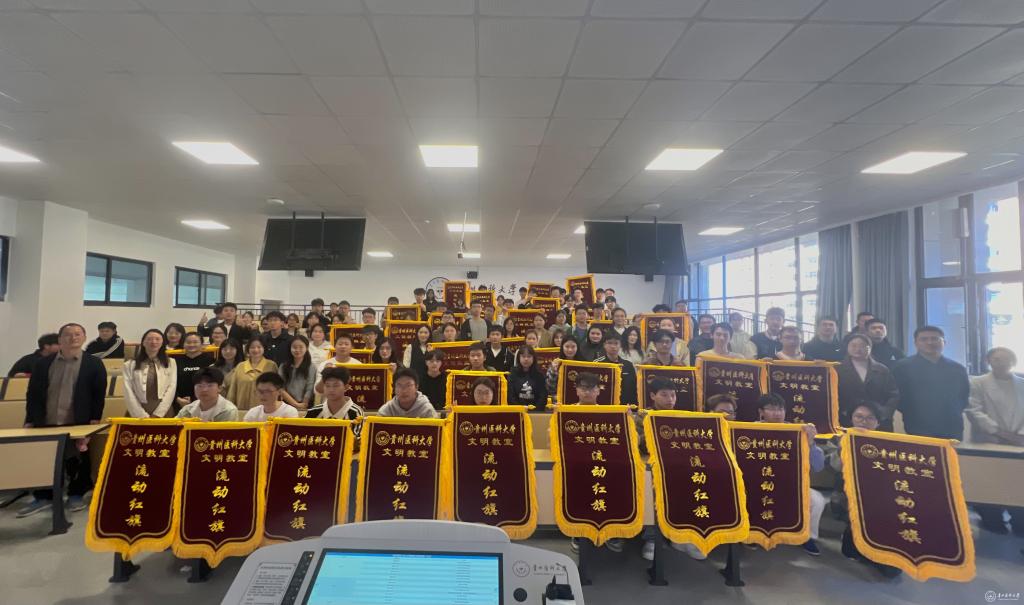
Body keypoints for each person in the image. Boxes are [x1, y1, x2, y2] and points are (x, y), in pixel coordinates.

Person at [19, 323, 107, 517]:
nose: (73, 338)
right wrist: (30, 419)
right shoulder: (43, 363)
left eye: (77, 334)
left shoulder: (94, 363)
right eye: (67, 334)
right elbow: (33, 394)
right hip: (46, 420)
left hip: (78, 421)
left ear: (84, 338)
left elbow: (98, 395)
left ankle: (76, 494)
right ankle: (44, 497)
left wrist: (94, 419)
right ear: (60, 339)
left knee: (77, 459)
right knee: (44, 461)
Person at [819, 400, 903, 578]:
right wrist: (846, 446)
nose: (863, 422)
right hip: (846, 498)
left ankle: (882, 553)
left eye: (870, 418)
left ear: (878, 423)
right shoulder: (839, 438)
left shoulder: (888, 443)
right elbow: (831, 466)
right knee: (853, 546)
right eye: (859, 417)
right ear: (851, 419)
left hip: (880, 500)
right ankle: (859, 545)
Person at [639, 377, 706, 561]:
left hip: (680, 465)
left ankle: (683, 536)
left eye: (673, 395)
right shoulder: (642, 416)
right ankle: (652, 538)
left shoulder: (683, 417)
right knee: (651, 486)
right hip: (652, 466)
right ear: (652, 396)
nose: (670, 399)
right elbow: (639, 445)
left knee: (696, 481)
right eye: (664, 395)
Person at [757, 393, 826, 556]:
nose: (777, 413)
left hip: (791, 486)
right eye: (771, 409)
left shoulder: (798, 432)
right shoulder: (749, 430)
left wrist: (811, 442)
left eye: (780, 409)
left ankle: (807, 536)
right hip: (759, 484)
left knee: (817, 500)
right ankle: (754, 534)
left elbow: (818, 466)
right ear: (761, 412)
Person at [967, 347, 1024, 534]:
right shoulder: (978, 382)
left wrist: (1019, 436)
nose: (1001, 363)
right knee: (989, 482)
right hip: (989, 439)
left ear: (1013, 362)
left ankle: (1019, 520)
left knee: (1017, 483)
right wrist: (1000, 433)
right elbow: (974, 410)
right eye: (996, 359)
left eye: (1006, 359)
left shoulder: (1021, 384)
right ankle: (992, 521)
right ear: (988, 361)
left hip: (1019, 442)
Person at [892, 326, 970, 440]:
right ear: (916, 343)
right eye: (924, 339)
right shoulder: (902, 367)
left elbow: (964, 397)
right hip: (918, 425)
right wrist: (912, 412)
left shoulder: (957, 368)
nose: (930, 342)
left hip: (952, 425)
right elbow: (898, 397)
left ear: (944, 342)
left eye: (934, 339)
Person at [836, 334, 899, 431]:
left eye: (862, 346)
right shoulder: (837, 370)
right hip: (846, 421)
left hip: (878, 421)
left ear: (870, 347)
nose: (858, 349)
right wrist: (843, 412)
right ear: (847, 347)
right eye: (853, 345)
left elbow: (893, 395)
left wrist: (884, 413)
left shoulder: (882, 369)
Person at [123, 328, 177, 419]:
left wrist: (159, 413)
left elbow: (172, 388)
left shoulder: (171, 362)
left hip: (164, 411)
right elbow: (128, 391)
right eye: (149, 339)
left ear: (162, 343)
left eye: (157, 339)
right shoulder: (129, 364)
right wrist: (140, 415)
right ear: (143, 342)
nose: (153, 342)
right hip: (137, 412)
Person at [307, 367, 365, 440]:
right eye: (327, 386)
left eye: (336, 385)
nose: (331, 390)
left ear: (346, 387)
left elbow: (357, 441)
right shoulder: (313, 412)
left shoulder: (355, 412)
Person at [225, 339, 279, 411]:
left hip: (264, 411)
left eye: (259, 347)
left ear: (264, 349)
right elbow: (233, 390)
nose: (256, 350)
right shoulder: (240, 366)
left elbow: (276, 390)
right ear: (248, 350)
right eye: (252, 347)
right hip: (241, 410)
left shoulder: (271, 365)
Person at [594, 332, 637, 405]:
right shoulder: (597, 363)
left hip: (624, 405)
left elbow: (633, 388)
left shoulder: (628, 365)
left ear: (620, 345)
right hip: (602, 405)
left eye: (616, 343)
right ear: (604, 345)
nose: (613, 346)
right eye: (609, 343)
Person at [173, 332, 214, 410]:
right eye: (188, 342)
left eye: (195, 342)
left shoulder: (210, 360)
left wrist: (194, 399)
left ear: (202, 344)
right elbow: (171, 382)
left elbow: (212, 383)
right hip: (179, 402)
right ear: (183, 344)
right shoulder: (175, 361)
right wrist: (177, 399)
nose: (191, 345)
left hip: (204, 402)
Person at [279, 335, 316, 411]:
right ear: (290, 348)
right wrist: (295, 404)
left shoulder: (311, 367)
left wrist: (304, 404)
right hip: (286, 405)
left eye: (301, 347)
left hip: (306, 405)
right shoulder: (283, 366)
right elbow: (280, 388)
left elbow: (310, 387)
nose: (297, 350)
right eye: (294, 347)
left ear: (307, 348)